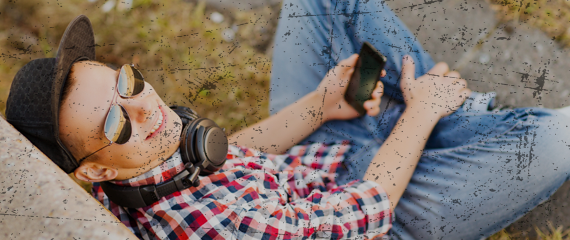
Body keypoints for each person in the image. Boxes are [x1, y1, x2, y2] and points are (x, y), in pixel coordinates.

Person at [3, 2, 570, 240]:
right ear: (94, 172)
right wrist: (419, 116)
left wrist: (319, 106)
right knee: (555, 140)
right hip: (376, 208)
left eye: (127, 82)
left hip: (314, 154)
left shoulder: (136, 162)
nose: (147, 107)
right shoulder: (212, 231)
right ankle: (441, 112)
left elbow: (229, 156)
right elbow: (366, 208)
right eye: (115, 122)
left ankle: (442, 111)